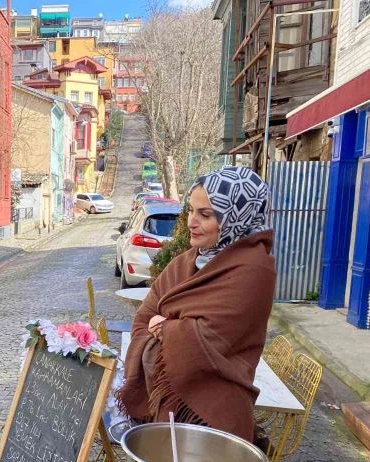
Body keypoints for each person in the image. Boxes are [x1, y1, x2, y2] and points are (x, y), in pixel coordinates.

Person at [118, 166, 276, 442]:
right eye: (191, 210)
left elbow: (208, 338)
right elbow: (145, 316)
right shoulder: (189, 260)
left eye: (205, 215)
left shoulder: (253, 270)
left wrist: (165, 326)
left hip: (213, 416)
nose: (191, 221)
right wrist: (169, 325)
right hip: (165, 408)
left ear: (236, 218)